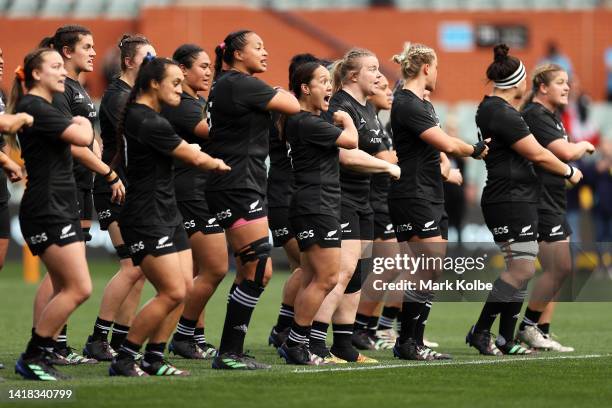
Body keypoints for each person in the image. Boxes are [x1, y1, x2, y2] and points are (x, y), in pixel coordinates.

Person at [109, 56, 230, 377]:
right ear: (153, 84)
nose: (181, 89)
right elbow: (190, 153)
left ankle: (154, 358)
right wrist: (216, 163)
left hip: (166, 211)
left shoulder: (148, 116)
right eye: (174, 83)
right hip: (147, 215)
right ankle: (126, 357)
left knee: (183, 289)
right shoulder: (147, 120)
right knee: (173, 291)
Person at [466, 44, 583, 356]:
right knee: (521, 269)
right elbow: (538, 154)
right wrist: (568, 170)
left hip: (517, 197)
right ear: (517, 83)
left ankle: (505, 339)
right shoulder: (502, 112)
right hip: (509, 198)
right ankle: (480, 332)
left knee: (522, 268)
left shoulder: (494, 109)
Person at [205, 30, 300, 370]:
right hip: (238, 186)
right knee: (259, 269)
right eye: (257, 47)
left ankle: (230, 350)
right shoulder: (240, 83)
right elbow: (292, 104)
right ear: (236, 53)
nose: (265, 51)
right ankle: (228, 352)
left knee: (251, 269)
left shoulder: (226, 84)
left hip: (239, 184)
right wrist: (277, 90)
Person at [389, 42, 487, 361]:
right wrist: (474, 149)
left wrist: (445, 164)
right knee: (426, 265)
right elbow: (444, 142)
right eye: (438, 68)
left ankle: (413, 340)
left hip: (430, 192)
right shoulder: (406, 103)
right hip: (413, 193)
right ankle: (406, 341)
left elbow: (438, 150)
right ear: (427, 68)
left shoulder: (423, 104)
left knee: (432, 267)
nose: (438, 75)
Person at [34, 25, 125, 365]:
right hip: (65, 185)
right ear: (66, 51)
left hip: (82, 185)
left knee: (67, 273)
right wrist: (108, 171)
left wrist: (97, 150)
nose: (93, 52)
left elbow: (89, 138)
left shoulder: (79, 89)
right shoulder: (61, 90)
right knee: (60, 274)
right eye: (86, 46)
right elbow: (71, 144)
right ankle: (46, 345)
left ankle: (57, 344)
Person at [308, 48, 400, 364]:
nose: (379, 75)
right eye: (372, 69)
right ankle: (315, 344)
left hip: (364, 201)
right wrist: (385, 165)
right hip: (340, 199)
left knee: (357, 275)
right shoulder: (340, 107)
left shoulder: (369, 109)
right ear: (352, 75)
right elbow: (346, 157)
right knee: (340, 272)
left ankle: (344, 346)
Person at [11, 48, 95, 380]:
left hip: (57, 206)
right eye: (56, 67)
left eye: (63, 66)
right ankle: (34, 355)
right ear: (35, 74)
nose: (63, 73)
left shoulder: (42, 106)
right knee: (79, 288)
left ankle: (43, 355)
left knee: (66, 287)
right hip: (47, 209)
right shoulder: (34, 105)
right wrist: (83, 120)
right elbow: (82, 137)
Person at [276, 61, 358, 365]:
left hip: (313, 204)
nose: (329, 87)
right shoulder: (305, 121)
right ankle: (296, 343)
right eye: (322, 81)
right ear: (304, 88)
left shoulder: (304, 120)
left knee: (312, 276)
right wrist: (347, 119)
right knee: (326, 278)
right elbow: (351, 142)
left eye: (329, 81)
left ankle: (296, 342)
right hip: (316, 205)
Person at [83, 34, 155, 361]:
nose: (153, 65)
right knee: (130, 266)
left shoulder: (135, 95)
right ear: (129, 62)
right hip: (113, 187)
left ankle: (119, 341)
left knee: (137, 268)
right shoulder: (117, 97)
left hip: (129, 188)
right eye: (147, 59)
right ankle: (98, 338)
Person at [517, 63, 595, 353]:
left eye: (568, 82)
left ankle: (540, 331)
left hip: (552, 199)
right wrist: (584, 145)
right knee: (559, 267)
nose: (567, 87)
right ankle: (527, 326)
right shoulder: (535, 115)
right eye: (560, 82)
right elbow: (563, 152)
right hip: (538, 200)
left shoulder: (552, 116)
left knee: (559, 270)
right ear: (542, 87)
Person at [164, 44, 223, 359]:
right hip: (190, 192)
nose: (208, 71)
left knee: (199, 270)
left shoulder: (196, 101)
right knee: (215, 267)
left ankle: (194, 337)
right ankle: (183, 335)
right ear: (182, 71)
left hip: (201, 189)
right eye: (202, 66)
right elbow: (211, 133)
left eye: (209, 66)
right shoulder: (184, 104)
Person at [268, 53, 320, 349]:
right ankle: (290, 331)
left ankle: (284, 329)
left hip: (287, 195)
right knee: (310, 268)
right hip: (285, 196)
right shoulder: (288, 112)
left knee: (304, 269)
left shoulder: (288, 110)